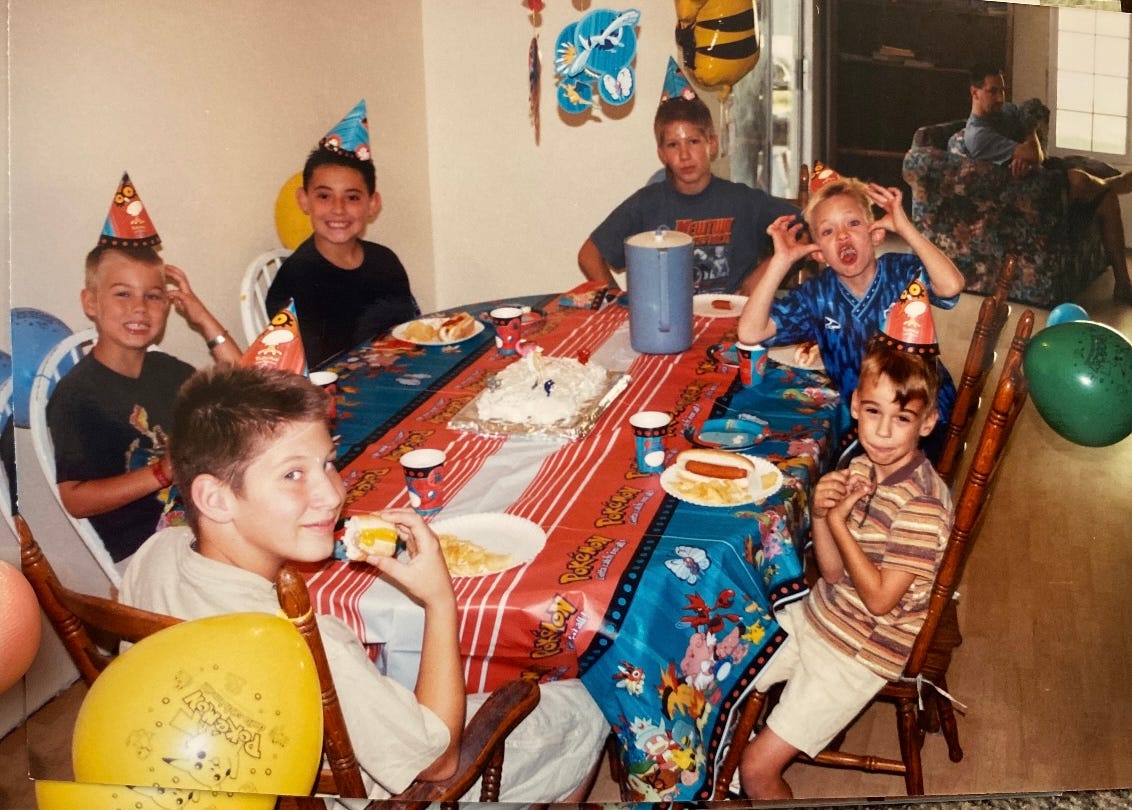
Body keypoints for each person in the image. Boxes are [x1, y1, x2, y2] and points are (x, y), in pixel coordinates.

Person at [119, 364, 609, 803]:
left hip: (230, 764)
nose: (332, 494)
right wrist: (439, 599)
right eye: (293, 474)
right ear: (215, 498)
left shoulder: (153, 554)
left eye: (328, 463)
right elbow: (437, 764)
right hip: (372, 792)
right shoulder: (303, 642)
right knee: (586, 701)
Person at [739, 337, 954, 800]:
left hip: (862, 650)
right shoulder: (861, 465)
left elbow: (878, 602)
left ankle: (748, 783)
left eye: (902, 419)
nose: (882, 432)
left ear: (928, 422)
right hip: (821, 614)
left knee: (757, 769)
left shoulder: (922, 506)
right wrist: (820, 515)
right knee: (724, 674)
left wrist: (837, 523)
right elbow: (833, 575)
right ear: (855, 404)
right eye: (873, 411)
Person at [47, 173, 241, 568]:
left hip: (199, 525)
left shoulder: (168, 371)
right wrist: (160, 473)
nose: (139, 308)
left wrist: (200, 316)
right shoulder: (78, 394)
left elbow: (251, 383)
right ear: (90, 302)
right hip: (144, 552)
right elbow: (75, 498)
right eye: (122, 294)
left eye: (153, 296)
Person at [736, 167, 964, 460]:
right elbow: (750, 332)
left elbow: (951, 286)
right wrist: (781, 260)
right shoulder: (816, 296)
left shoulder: (900, 273)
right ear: (818, 253)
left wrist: (906, 227)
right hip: (865, 421)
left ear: (876, 234)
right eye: (828, 231)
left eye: (853, 223)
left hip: (922, 417)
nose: (842, 236)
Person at [577, 95, 799, 295]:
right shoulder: (647, 203)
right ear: (662, 154)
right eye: (673, 145)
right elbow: (588, 255)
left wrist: (759, 279)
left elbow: (806, 228)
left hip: (735, 323)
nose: (684, 155)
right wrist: (617, 304)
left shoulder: (744, 201)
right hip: (666, 326)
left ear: (711, 145)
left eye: (693, 142)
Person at [265, 100, 419, 367]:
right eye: (324, 196)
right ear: (304, 200)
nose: (338, 209)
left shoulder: (385, 261)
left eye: (352, 197)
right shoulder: (295, 280)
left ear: (372, 204)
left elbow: (409, 331)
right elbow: (301, 370)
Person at [964, 64, 1132, 303]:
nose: (1000, 97)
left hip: (1038, 176)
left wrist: (1028, 150)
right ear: (975, 92)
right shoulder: (978, 134)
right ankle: (1118, 183)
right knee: (1078, 178)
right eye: (993, 91)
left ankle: (1124, 284)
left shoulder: (1004, 113)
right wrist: (1029, 134)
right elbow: (1035, 153)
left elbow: (1033, 130)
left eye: (1002, 90)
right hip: (1025, 196)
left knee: (1106, 199)